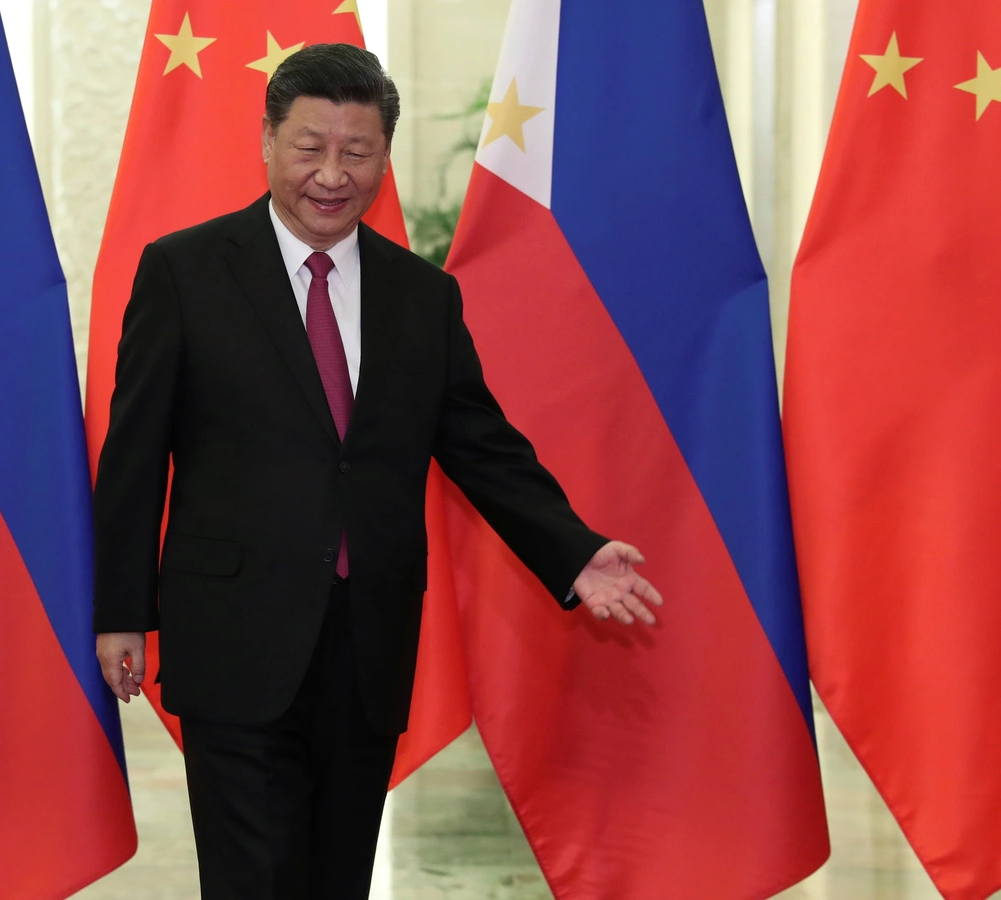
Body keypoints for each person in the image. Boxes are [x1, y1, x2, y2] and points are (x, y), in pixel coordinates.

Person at [92, 44, 663, 899]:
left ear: (383, 158)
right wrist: (122, 613)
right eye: (309, 147)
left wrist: (573, 552)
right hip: (235, 636)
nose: (331, 174)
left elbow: (481, 444)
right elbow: (134, 454)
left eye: (356, 153)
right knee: (253, 877)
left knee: (336, 876)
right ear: (268, 143)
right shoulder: (185, 271)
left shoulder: (419, 296)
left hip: (367, 645)